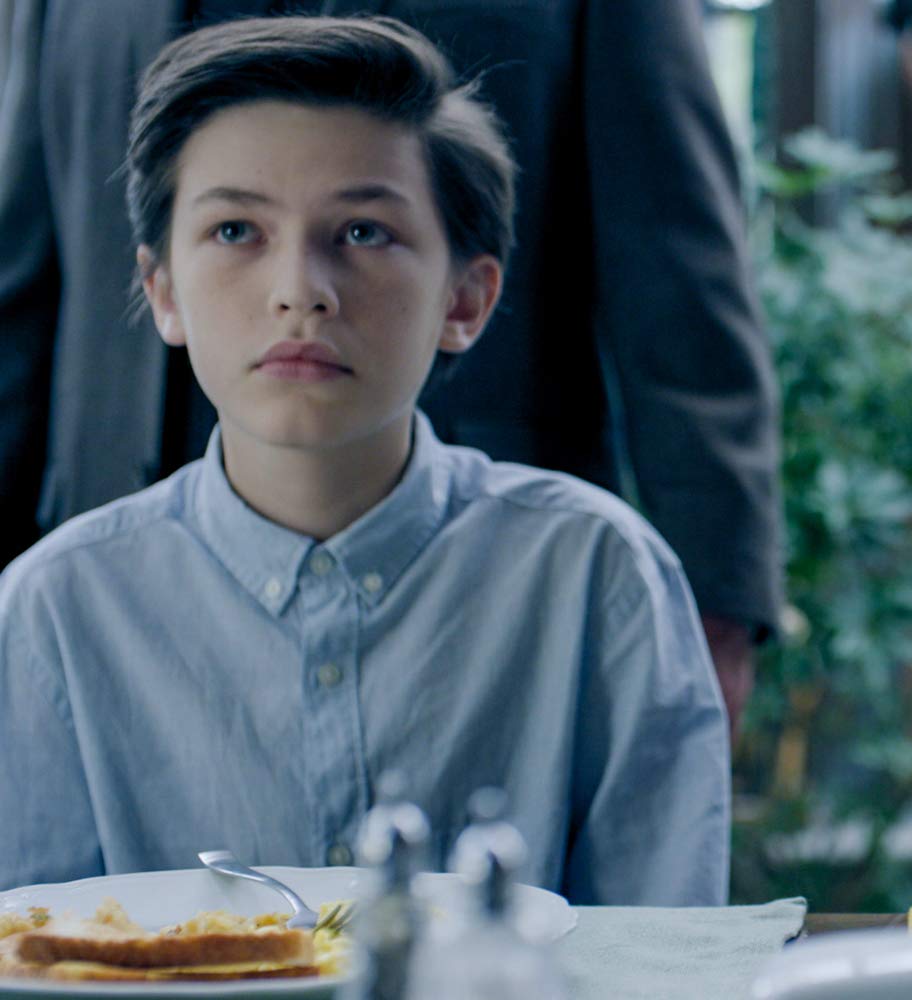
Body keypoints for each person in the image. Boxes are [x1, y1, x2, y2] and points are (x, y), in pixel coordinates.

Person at [0, 15, 730, 905]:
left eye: (362, 233)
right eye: (235, 231)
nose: (299, 291)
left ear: (465, 299)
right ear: (163, 293)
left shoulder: (597, 578)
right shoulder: (58, 610)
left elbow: (663, 944)